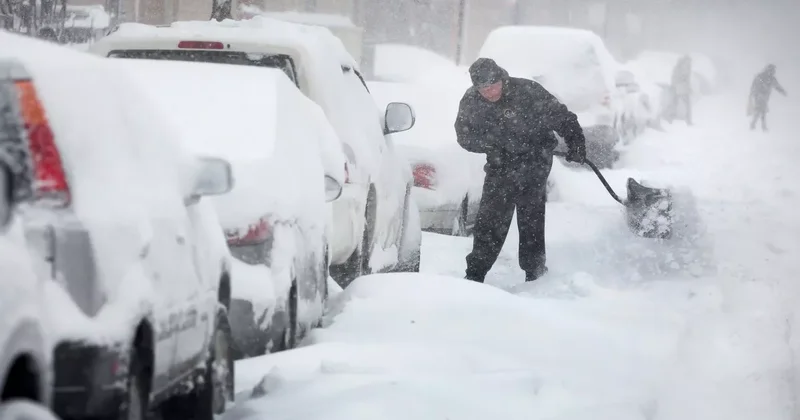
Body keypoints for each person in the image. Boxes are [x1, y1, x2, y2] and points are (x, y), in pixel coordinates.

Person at [454, 58, 586, 283]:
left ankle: (534, 271)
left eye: (493, 85)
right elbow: (464, 136)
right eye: (484, 89)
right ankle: (475, 273)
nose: (490, 92)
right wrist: (493, 145)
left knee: (531, 215)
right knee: (491, 217)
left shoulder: (527, 91)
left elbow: (563, 117)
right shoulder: (471, 101)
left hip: (535, 160)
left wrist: (576, 143)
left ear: (501, 79)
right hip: (500, 163)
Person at [748, 64, 787, 131]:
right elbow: (754, 85)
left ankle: (754, 124)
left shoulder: (771, 78)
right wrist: (753, 93)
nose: (772, 72)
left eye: (773, 70)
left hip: (764, 97)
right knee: (761, 109)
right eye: (771, 70)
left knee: (761, 110)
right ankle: (761, 125)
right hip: (759, 95)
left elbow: (777, 86)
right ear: (768, 69)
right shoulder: (761, 76)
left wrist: (782, 91)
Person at [669, 55, 693, 125]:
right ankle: (688, 121)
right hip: (683, 89)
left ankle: (671, 118)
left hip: (677, 88)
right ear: (686, 60)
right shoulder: (685, 67)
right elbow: (685, 79)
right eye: (689, 61)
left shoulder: (678, 66)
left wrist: (673, 85)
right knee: (687, 105)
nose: (690, 62)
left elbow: (674, 77)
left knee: (675, 103)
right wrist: (688, 88)